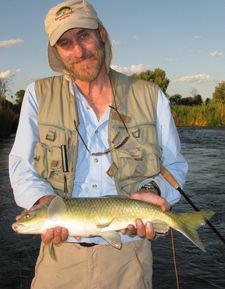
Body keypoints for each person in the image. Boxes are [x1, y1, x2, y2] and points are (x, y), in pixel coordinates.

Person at [9, 0, 188, 288]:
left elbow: (175, 166)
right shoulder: (37, 95)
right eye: (65, 42)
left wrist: (152, 189)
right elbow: (21, 165)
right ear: (56, 52)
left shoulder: (151, 95)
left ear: (101, 34)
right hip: (58, 261)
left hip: (130, 259)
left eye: (84, 35)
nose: (78, 51)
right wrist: (41, 202)